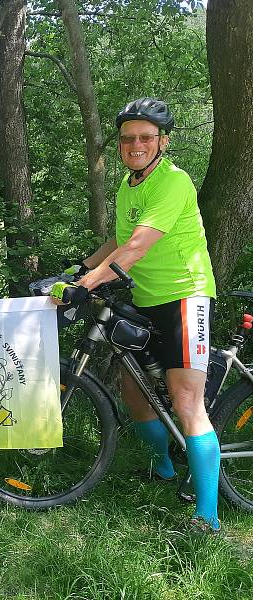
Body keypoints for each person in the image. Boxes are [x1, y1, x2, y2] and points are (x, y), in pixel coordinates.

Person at [53, 98, 219, 533]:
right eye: (128, 139)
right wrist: (77, 270)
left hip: (185, 297)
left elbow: (138, 246)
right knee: (135, 393)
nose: (136, 145)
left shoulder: (172, 182)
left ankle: (208, 518)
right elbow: (118, 240)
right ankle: (163, 468)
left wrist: (85, 286)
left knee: (186, 402)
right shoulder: (129, 185)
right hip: (144, 299)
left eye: (146, 137)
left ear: (162, 141)